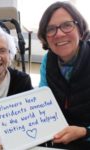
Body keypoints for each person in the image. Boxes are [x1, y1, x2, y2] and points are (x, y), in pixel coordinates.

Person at [37, 1, 90, 149]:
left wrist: (84, 132)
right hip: (58, 138)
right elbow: (42, 101)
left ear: (80, 29)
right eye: (51, 29)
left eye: (67, 25)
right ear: (45, 36)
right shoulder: (48, 60)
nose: (59, 34)